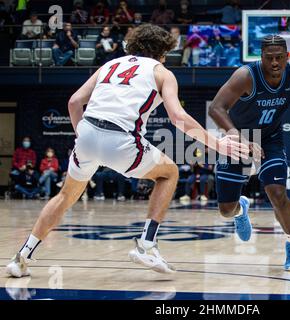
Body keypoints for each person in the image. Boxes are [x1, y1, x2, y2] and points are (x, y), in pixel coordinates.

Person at [6, 24, 248, 278]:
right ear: (161, 51)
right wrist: (218, 144)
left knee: (65, 197)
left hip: (87, 133)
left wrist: (83, 137)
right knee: (169, 173)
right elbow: (178, 117)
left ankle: (21, 257)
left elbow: (74, 102)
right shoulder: (162, 72)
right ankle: (146, 245)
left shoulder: (109, 65)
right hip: (121, 138)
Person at [208, 35, 290, 271]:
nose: (275, 63)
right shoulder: (245, 76)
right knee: (226, 210)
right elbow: (216, 108)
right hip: (238, 137)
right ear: (261, 58)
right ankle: (241, 210)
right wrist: (235, 134)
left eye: (280, 57)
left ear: (287, 56)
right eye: (269, 58)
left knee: (277, 193)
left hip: (271, 138)